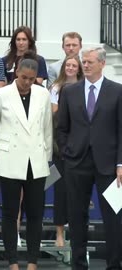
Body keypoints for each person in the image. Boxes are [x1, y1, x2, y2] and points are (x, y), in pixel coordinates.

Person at [0, 59, 52, 270]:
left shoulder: (43, 95)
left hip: (36, 161)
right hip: (9, 159)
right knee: (10, 213)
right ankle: (12, 261)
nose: (27, 83)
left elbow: (47, 128)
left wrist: (47, 158)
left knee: (35, 214)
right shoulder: (1, 95)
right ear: (16, 73)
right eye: (23, 78)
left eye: (31, 79)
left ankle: (32, 261)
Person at [57, 47, 122, 270]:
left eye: (89, 62)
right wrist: (67, 151)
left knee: (113, 216)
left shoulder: (117, 91)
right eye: (83, 62)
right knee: (76, 217)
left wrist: (121, 163)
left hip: (109, 164)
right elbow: (62, 127)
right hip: (76, 162)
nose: (85, 65)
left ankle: (114, 264)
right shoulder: (70, 91)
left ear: (102, 64)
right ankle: (78, 264)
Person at [49, 55, 83, 247]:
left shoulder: (85, 87)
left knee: (78, 191)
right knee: (60, 190)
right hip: (61, 148)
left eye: (74, 65)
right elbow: (55, 118)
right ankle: (59, 233)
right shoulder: (55, 87)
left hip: (82, 148)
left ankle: (78, 232)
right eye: (67, 65)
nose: (70, 68)